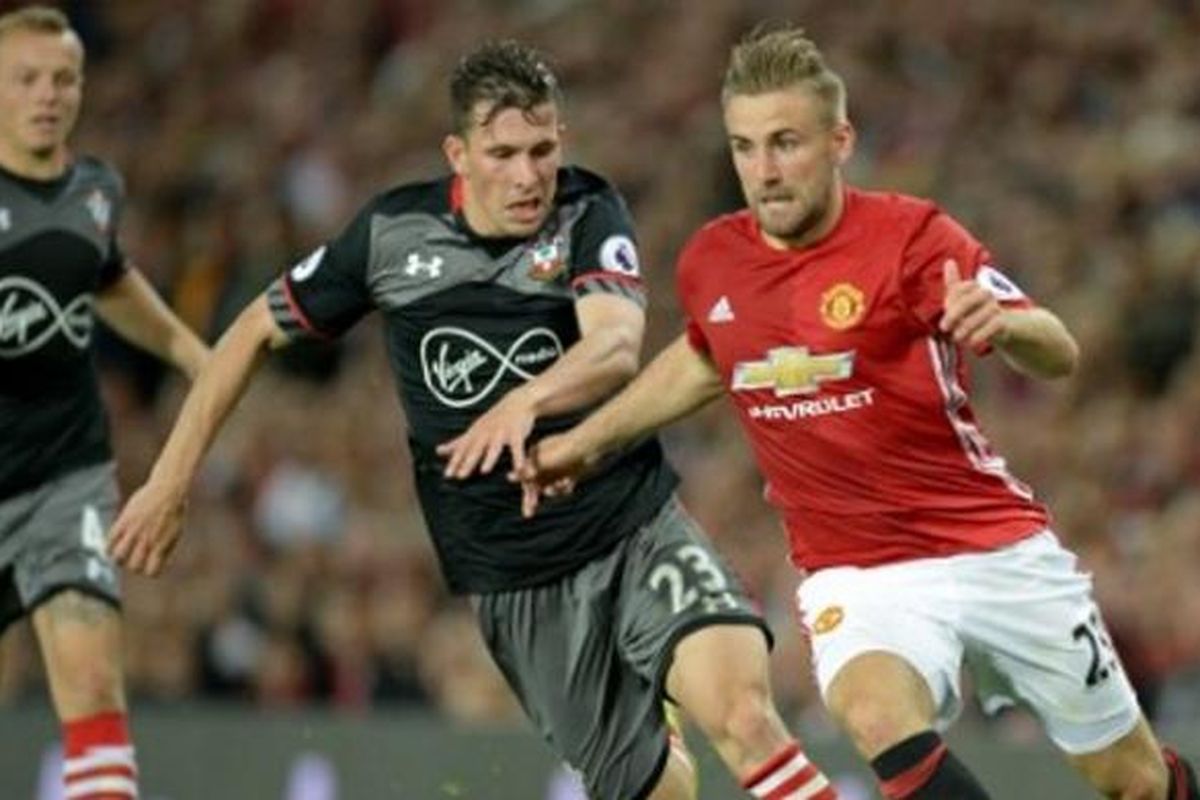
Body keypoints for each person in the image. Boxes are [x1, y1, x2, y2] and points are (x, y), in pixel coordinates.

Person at [108, 40, 838, 800]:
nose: (528, 176)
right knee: (662, 791)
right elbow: (252, 332)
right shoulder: (392, 235)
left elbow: (616, 347)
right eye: (503, 153)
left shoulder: (587, 210)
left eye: (542, 149)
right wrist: (169, 480)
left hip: (634, 527)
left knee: (748, 717)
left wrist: (522, 402)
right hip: (515, 577)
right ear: (457, 153)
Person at [515, 24, 1200, 800]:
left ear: (840, 140)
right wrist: (584, 443)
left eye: (785, 143)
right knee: (875, 715)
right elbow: (710, 359)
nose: (765, 172)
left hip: (992, 547)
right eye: (744, 147)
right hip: (856, 574)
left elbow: (1059, 348)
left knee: (1135, 782)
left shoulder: (912, 237)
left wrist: (1005, 327)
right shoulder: (714, 258)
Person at [0, 7, 210, 800]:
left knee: (91, 687)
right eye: (26, 79)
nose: (47, 94)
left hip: (67, 473)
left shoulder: (96, 190)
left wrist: (195, 354)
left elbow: (109, 277)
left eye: (63, 78)